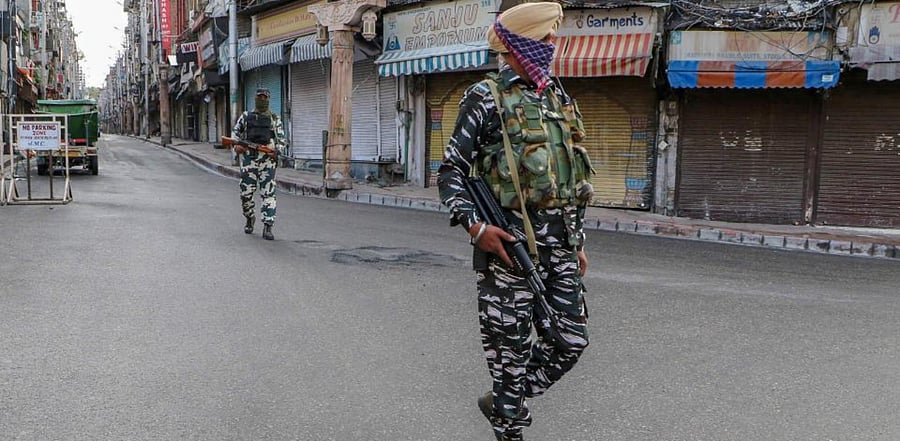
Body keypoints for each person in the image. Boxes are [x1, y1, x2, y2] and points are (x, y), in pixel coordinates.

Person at [436, 3, 595, 440]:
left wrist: (577, 241)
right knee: (510, 357)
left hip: (561, 249)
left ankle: (505, 401)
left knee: (571, 341)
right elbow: (451, 172)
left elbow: (570, 178)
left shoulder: (557, 96)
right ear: (520, 44)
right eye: (545, 39)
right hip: (510, 253)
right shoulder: (485, 96)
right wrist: (477, 229)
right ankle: (509, 418)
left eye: (552, 38)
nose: (552, 45)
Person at [232, 88, 286, 240]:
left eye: (265, 98)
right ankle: (250, 217)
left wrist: (276, 151)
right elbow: (235, 135)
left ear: (268, 99)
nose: (262, 100)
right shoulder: (245, 117)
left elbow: (282, 141)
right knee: (245, 194)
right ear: (255, 99)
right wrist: (237, 146)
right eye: (260, 97)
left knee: (268, 194)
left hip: (267, 162)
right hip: (249, 161)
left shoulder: (274, 119)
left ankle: (268, 226)